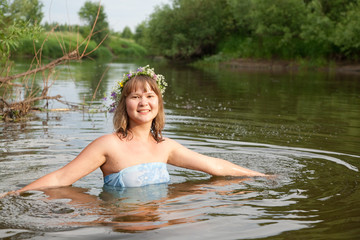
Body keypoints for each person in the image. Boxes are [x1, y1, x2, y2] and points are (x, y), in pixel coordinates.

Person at [4, 65, 266, 196]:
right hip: (122, 227)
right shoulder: (109, 145)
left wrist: (261, 176)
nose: (143, 102)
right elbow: (62, 178)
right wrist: (14, 194)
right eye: (135, 97)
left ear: (158, 103)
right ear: (123, 104)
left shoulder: (166, 147)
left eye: (150, 96)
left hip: (159, 224)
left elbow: (215, 166)